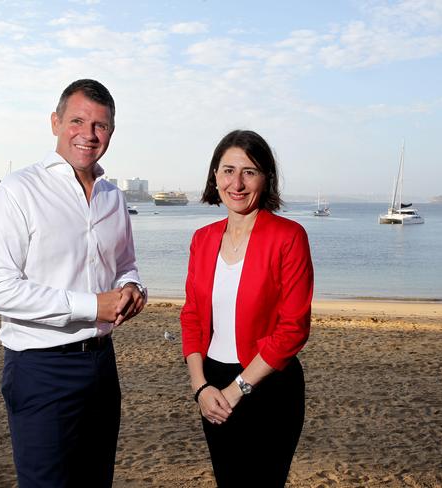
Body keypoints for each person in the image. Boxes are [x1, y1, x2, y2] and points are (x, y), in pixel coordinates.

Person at [0, 79, 146, 488]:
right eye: (77, 121)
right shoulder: (19, 190)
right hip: (40, 367)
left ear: (111, 133)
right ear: (55, 122)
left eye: (99, 126)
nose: (88, 135)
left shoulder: (112, 196)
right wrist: (92, 305)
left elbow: (125, 264)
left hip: (103, 365)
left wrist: (132, 289)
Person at [181, 130, 313, 487]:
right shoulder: (203, 239)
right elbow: (192, 316)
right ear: (215, 176)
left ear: (266, 178)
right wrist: (200, 387)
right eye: (227, 171)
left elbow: (294, 327)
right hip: (212, 387)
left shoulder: (289, 236)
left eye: (249, 172)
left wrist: (237, 390)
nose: (236, 183)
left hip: (268, 386)